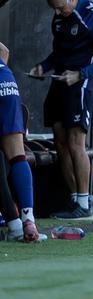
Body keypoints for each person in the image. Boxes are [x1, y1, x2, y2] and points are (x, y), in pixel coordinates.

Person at [30, 0, 93, 221]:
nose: (57, 13)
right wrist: (43, 67)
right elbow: (58, 54)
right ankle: (74, 200)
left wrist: (80, 74)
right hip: (60, 81)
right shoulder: (58, 18)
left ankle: (85, 203)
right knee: (60, 141)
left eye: (60, 8)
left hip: (82, 83)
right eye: (53, 9)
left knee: (76, 141)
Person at [0, 42, 44, 242]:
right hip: (5, 80)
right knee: (17, 156)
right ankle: (27, 220)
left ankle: (13, 222)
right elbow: (5, 52)